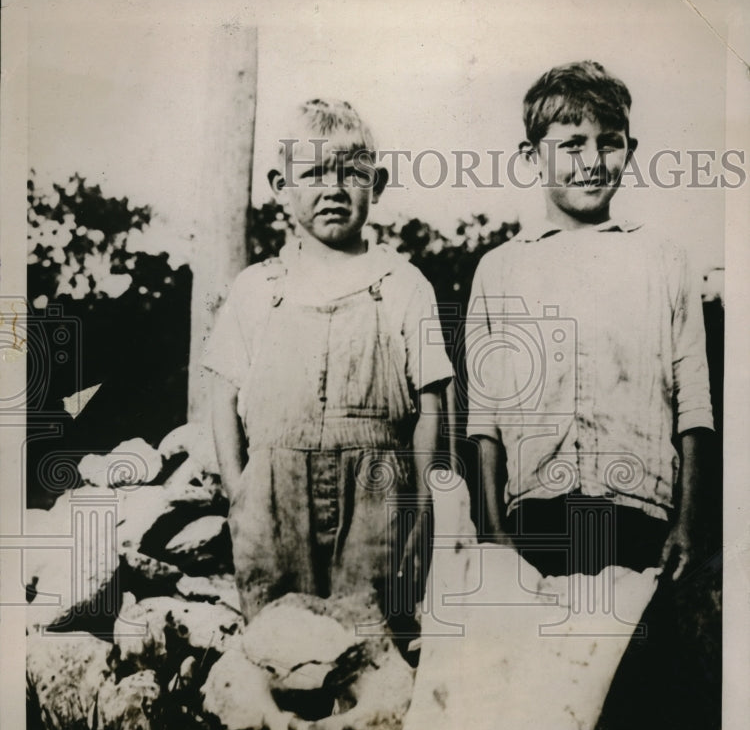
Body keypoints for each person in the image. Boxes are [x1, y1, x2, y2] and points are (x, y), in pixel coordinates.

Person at [204, 98, 453, 630]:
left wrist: (421, 502)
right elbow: (222, 394)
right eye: (314, 171)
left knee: (370, 647)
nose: (334, 187)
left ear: (377, 184)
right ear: (281, 185)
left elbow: (432, 405)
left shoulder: (405, 285)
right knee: (278, 648)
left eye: (351, 172)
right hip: (273, 502)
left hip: (379, 499)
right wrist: (240, 490)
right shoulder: (256, 289)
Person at [465, 61, 714, 579]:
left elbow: (693, 405)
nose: (592, 161)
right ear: (532, 155)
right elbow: (484, 417)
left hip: (641, 512)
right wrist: (493, 532)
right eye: (572, 144)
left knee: (632, 656)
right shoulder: (500, 268)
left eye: (609, 142)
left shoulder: (664, 260)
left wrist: (687, 526)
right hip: (535, 515)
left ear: (630, 149)